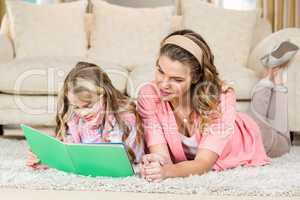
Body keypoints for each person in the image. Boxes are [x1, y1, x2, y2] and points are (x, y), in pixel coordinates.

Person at [137, 29, 298, 182]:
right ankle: (268, 76)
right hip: (232, 122)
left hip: (246, 138)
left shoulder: (221, 97)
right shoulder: (149, 95)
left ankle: (275, 80)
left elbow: (203, 163)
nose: (163, 84)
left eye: (176, 79)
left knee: (282, 142)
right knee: (254, 112)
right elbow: (162, 157)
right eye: (160, 71)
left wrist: (168, 172)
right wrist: (157, 162)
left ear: (195, 78)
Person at [27, 62, 144, 169]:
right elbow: (68, 149)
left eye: (88, 106)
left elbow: (121, 161)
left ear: (105, 96)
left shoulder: (125, 118)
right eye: (76, 107)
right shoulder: (76, 119)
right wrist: (48, 159)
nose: (82, 113)